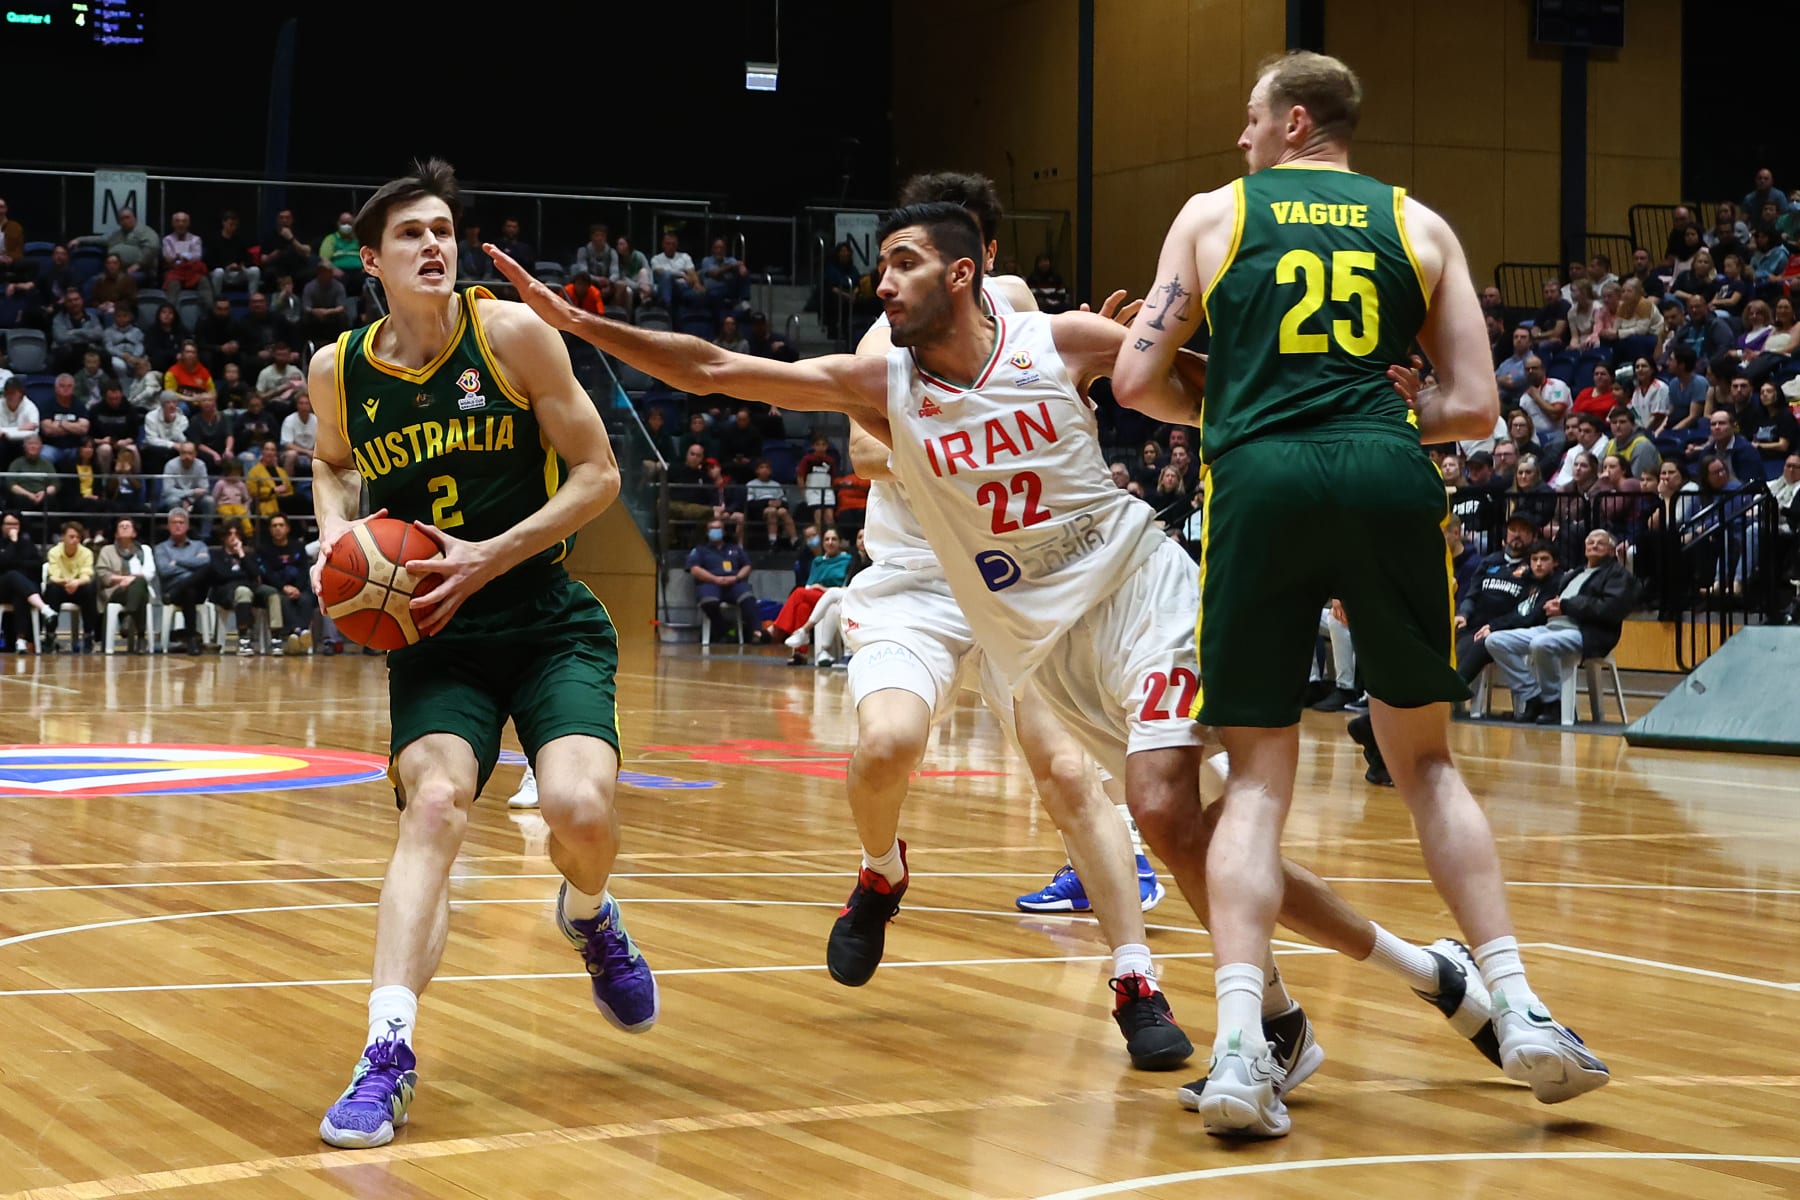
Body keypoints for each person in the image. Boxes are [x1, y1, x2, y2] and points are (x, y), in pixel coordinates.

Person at [489, 199, 1506, 1093]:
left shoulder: (1054, 341)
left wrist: (1384, 408)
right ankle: (1407, 978)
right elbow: (715, 368)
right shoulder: (876, 382)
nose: (881, 280)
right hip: (1037, 642)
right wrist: (585, 326)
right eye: (879, 265)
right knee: (1179, 831)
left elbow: (1220, 386)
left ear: (964, 272)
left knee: (1165, 812)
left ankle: (1250, 1009)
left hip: (1140, 591)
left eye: (904, 262)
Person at [1114, 51, 1607, 1136]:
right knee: (1423, 759)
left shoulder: (1211, 215)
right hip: (1388, 474)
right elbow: (1475, 408)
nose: (1241, 139)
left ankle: (1245, 1046)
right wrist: (1385, 414)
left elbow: (1136, 381)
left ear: (1294, 122)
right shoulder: (1422, 225)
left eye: (1250, 120)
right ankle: (1519, 1005)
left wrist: (1236, 393)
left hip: (1260, 479)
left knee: (1255, 780)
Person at [306, 160, 652, 1150]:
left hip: (544, 615)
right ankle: (387, 1053)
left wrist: (492, 554)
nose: (433, 245)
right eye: (409, 233)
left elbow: (598, 473)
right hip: (434, 637)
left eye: (442, 230)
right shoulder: (342, 369)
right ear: (370, 259)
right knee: (437, 805)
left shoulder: (509, 336)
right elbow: (332, 462)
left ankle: (589, 914)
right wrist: (339, 537)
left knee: (582, 810)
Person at [685, 515, 765, 644]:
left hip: (734, 583)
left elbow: (747, 566)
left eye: (718, 528)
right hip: (710, 583)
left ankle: (757, 633)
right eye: (712, 528)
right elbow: (695, 570)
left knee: (748, 598)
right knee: (708, 602)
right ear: (707, 532)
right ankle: (725, 630)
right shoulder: (700, 550)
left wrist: (736, 577)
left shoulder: (735, 549)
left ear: (724, 531)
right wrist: (715, 579)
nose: (715, 531)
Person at [153, 508, 211, 653]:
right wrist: (192, 566)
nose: (178, 525)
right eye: (174, 523)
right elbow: (164, 570)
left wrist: (177, 561)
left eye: (181, 522)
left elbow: (206, 563)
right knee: (189, 590)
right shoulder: (161, 548)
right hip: (178, 590)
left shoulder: (199, 545)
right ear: (168, 526)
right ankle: (191, 638)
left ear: (187, 525)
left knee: (207, 570)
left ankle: (189, 637)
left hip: (196, 591)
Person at [97, 516, 157, 653]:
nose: (124, 527)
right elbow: (103, 574)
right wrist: (123, 579)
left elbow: (149, 572)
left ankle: (129, 616)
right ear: (116, 533)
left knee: (139, 585)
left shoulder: (144, 550)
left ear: (134, 533)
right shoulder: (107, 550)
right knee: (139, 586)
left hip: (140, 589)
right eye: (121, 526)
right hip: (116, 590)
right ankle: (141, 637)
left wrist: (132, 580)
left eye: (128, 526)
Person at [0, 511, 55, 651]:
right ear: (2, 526)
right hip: (2, 587)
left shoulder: (27, 543)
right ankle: (44, 608)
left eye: (15, 524)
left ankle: (21, 640)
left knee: (20, 594)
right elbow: (3, 563)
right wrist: (13, 543)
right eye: (8, 524)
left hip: (23, 589)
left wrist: (15, 564)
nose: (12, 527)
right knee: (13, 575)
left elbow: (37, 564)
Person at [44, 520, 100, 652]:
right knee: (51, 590)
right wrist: (68, 582)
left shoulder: (86, 552)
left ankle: (88, 635)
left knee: (91, 588)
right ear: (63, 537)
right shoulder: (54, 552)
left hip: (79, 587)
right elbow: (53, 576)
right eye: (71, 537)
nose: (75, 540)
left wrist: (76, 583)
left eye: (78, 537)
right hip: (61, 587)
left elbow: (87, 575)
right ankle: (50, 635)